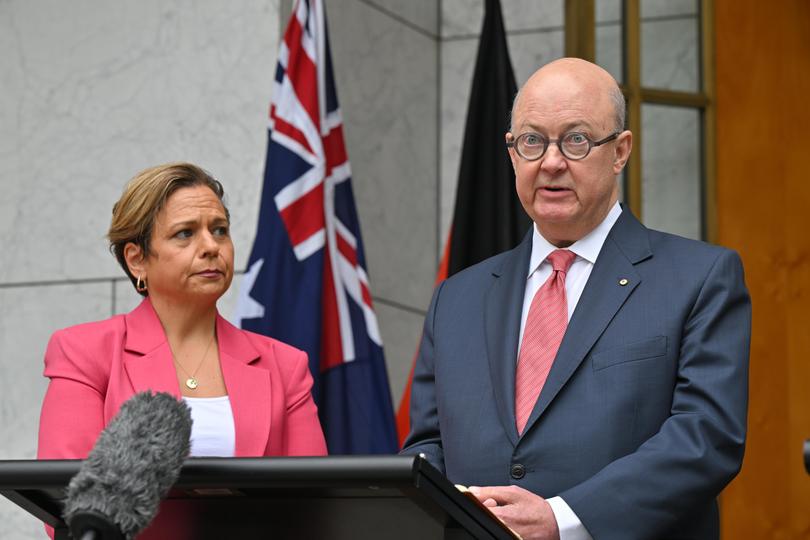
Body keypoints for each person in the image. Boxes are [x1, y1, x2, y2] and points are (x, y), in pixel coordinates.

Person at [402, 58, 751, 540]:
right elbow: (426, 449)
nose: (550, 162)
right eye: (532, 140)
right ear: (512, 153)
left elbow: (705, 438)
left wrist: (562, 518)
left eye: (576, 139)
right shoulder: (456, 299)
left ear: (620, 151)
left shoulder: (700, 278)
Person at [38, 162, 327, 537]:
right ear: (137, 259)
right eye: (185, 234)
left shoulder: (285, 366)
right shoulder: (84, 352)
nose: (211, 247)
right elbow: (63, 504)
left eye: (219, 230)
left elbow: (316, 504)